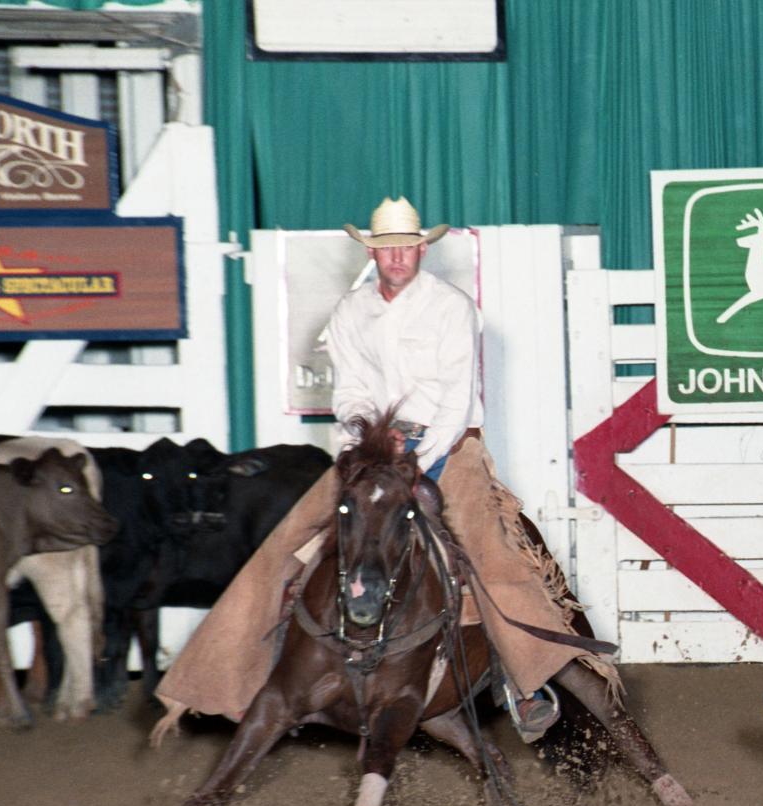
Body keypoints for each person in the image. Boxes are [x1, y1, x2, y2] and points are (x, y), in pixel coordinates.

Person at [151, 197, 615, 744]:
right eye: (385, 247)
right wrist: (365, 434)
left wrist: (415, 461)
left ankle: (527, 682)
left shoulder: (451, 307)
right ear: (371, 252)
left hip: (446, 447)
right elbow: (349, 391)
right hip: (373, 450)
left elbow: (456, 398)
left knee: (489, 555)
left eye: (406, 246)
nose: (396, 256)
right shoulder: (351, 313)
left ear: (423, 249)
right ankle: (226, 678)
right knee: (287, 542)